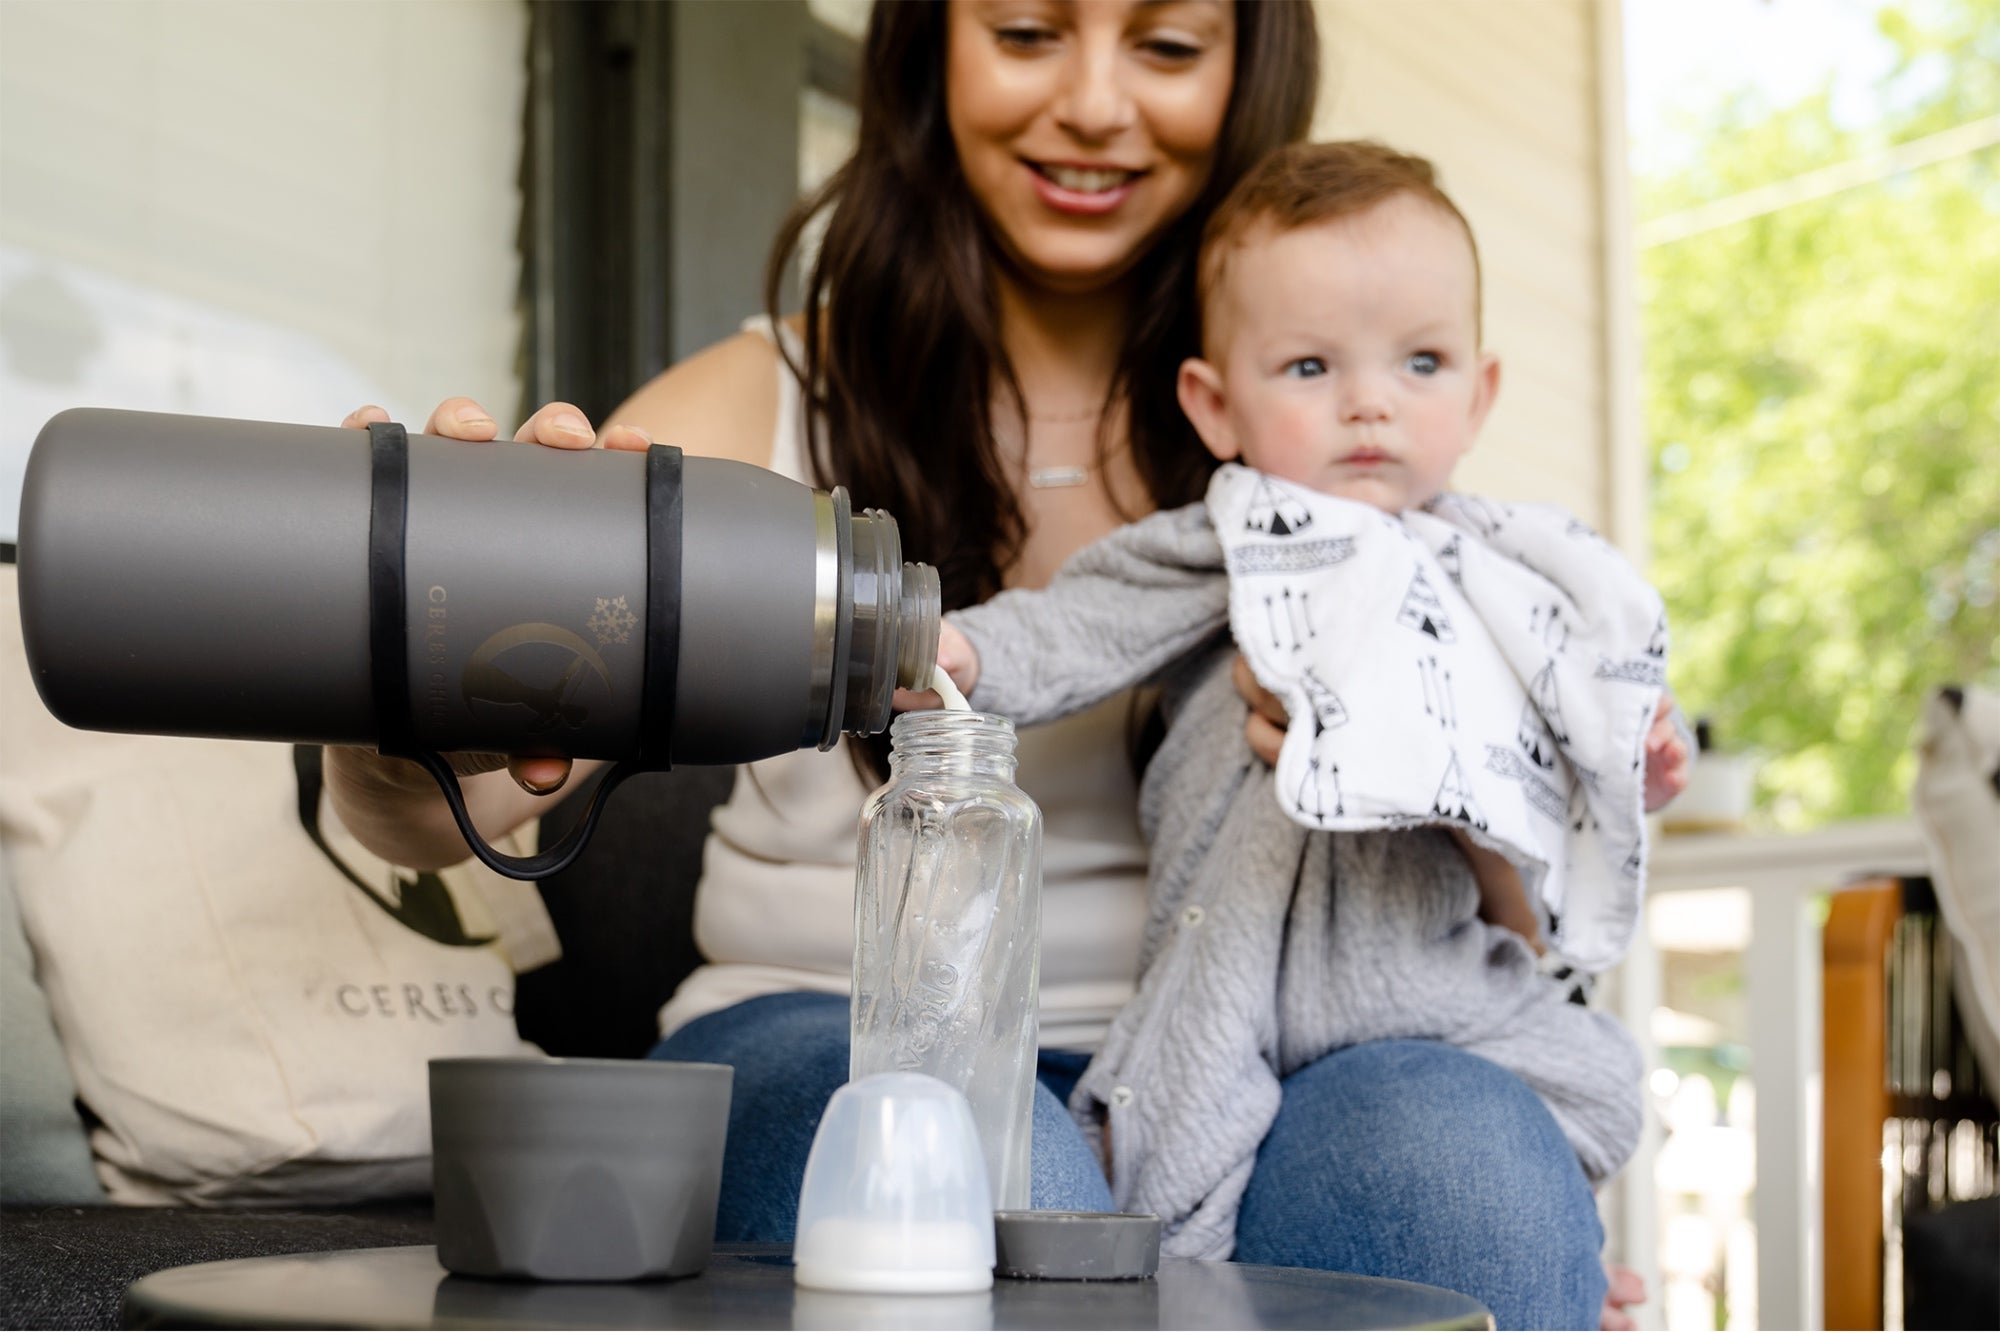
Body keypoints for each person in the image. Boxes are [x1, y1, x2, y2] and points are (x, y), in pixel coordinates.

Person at [328, 4, 1651, 1326]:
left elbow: (1506, 917)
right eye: (1025, 31)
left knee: (1466, 1177)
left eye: (1167, 47)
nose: (1093, 104)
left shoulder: (1336, 437)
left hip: (1272, 1047)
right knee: (985, 1198)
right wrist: (414, 699)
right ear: (931, 51)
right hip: (828, 1022)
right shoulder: (752, 404)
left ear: (1248, 74)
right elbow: (447, 817)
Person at [927, 138, 1691, 1261]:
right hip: (1227, 965)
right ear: (1214, 405)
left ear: (1478, 394)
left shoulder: (1505, 578)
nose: (1370, 404)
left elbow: (1586, 699)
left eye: (1421, 362)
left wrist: (1632, 752)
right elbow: (1081, 621)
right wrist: (959, 650)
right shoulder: (1229, 546)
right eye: (1308, 368)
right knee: (1165, 1162)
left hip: (1423, 981)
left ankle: (1579, 1259)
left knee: (1587, 1090)